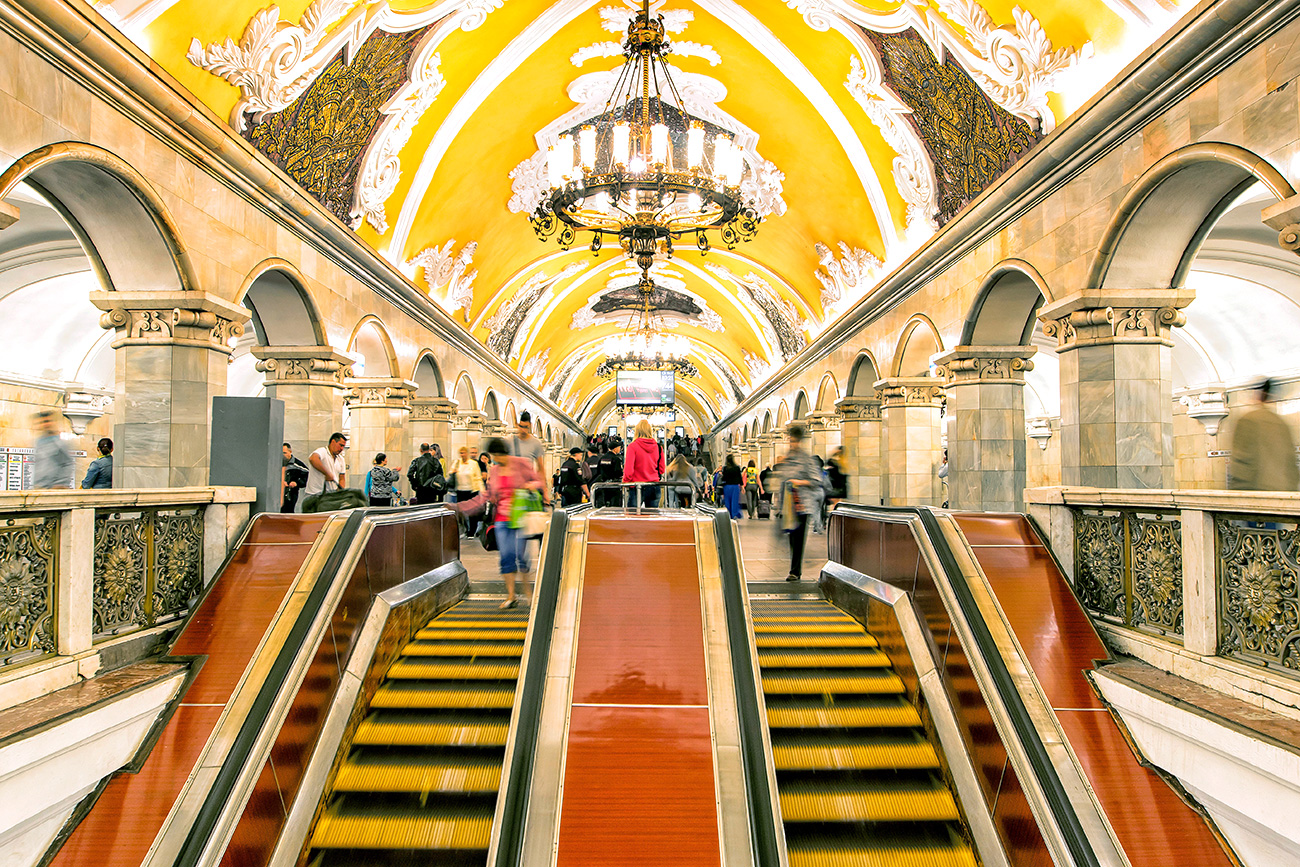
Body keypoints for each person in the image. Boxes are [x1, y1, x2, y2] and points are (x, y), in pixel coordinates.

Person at [485, 437, 543, 609]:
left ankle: (528, 592)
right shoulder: (494, 470)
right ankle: (511, 596)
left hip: (519, 517)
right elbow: (491, 493)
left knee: (521, 556)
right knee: (505, 557)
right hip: (501, 520)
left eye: (497, 455)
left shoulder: (521, 463)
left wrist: (529, 485)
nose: (495, 458)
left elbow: (538, 480)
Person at [1229, 377, 1300, 491]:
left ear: (1258, 395)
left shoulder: (1248, 420)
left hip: (1257, 492)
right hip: (1285, 492)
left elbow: (1241, 462)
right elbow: (1291, 463)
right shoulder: (1282, 423)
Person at [778, 424, 824, 582]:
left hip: (802, 505)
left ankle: (795, 571)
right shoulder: (788, 458)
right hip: (789, 505)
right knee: (792, 538)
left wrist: (798, 482)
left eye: (794, 441)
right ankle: (794, 568)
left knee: (798, 539)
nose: (792, 444)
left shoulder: (807, 459)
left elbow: (816, 480)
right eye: (790, 441)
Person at [623, 419, 665, 507]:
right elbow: (662, 469)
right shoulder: (658, 447)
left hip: (637, 486)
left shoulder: (632, 447)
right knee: (652, 518)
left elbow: (628, 471)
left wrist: (626, 482)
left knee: (633, 516)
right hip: (654, 485)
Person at [511, 410, 549, 504]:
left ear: (530, 426)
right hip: (512, 488)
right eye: (521, 426)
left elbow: (540, 468)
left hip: (528, 487)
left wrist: (545, 492)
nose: (523, 430)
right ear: (517, 425)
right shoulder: (510, 441)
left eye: (526, 427)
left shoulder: (536, 443)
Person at [449, 446, 485, 537]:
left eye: (464, 453)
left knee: (472, 512)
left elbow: (478, 478)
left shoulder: (473, 464)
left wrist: (482, 490)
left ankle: (471, 531)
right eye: (461, 453)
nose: (462, 455)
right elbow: (450, 473)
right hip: (460, 490)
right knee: (460, 511)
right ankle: (464, 528)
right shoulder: (457, 463)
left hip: (472, 491)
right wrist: (453, 471)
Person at [31, 411, 73, 489]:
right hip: (40, 487)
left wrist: (60, 484)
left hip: (53, 489)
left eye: (47, 421)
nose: (45, 425)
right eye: (42, 422)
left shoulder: (59, 443)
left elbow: (67, 464)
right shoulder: (39, 442)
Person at [281, 443, 309, 512]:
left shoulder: (297, 465)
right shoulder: (276, 463)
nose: (282, 455)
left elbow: (307, 477)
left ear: (290, 452)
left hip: (291, 495)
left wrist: (297, 483)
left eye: (284, 453)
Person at [596, 439, 624, 506]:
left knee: (605, 503)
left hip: (604, 485)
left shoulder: (602, 458)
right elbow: (618, 473)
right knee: (615, 505)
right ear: (615, 449)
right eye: (619, 448)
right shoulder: (616, 459)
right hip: (614, 485)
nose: (620, 449)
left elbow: (598, 471)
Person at [720, 454, 743, 519]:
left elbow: (723, 478)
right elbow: (739, 477)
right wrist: (742, 486)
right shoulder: (737, 468)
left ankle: (728, 514)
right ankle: (734, 514)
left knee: (727, 501)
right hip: (735, 486)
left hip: (727, 487)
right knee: (735, 501)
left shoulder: (725, 468)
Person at [826, 448, 847, 512]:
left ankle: (835, 513)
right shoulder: (839, 463)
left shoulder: (838, 463)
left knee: (836, 502)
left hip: (837, 485)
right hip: (838, 485)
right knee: (836, 502)